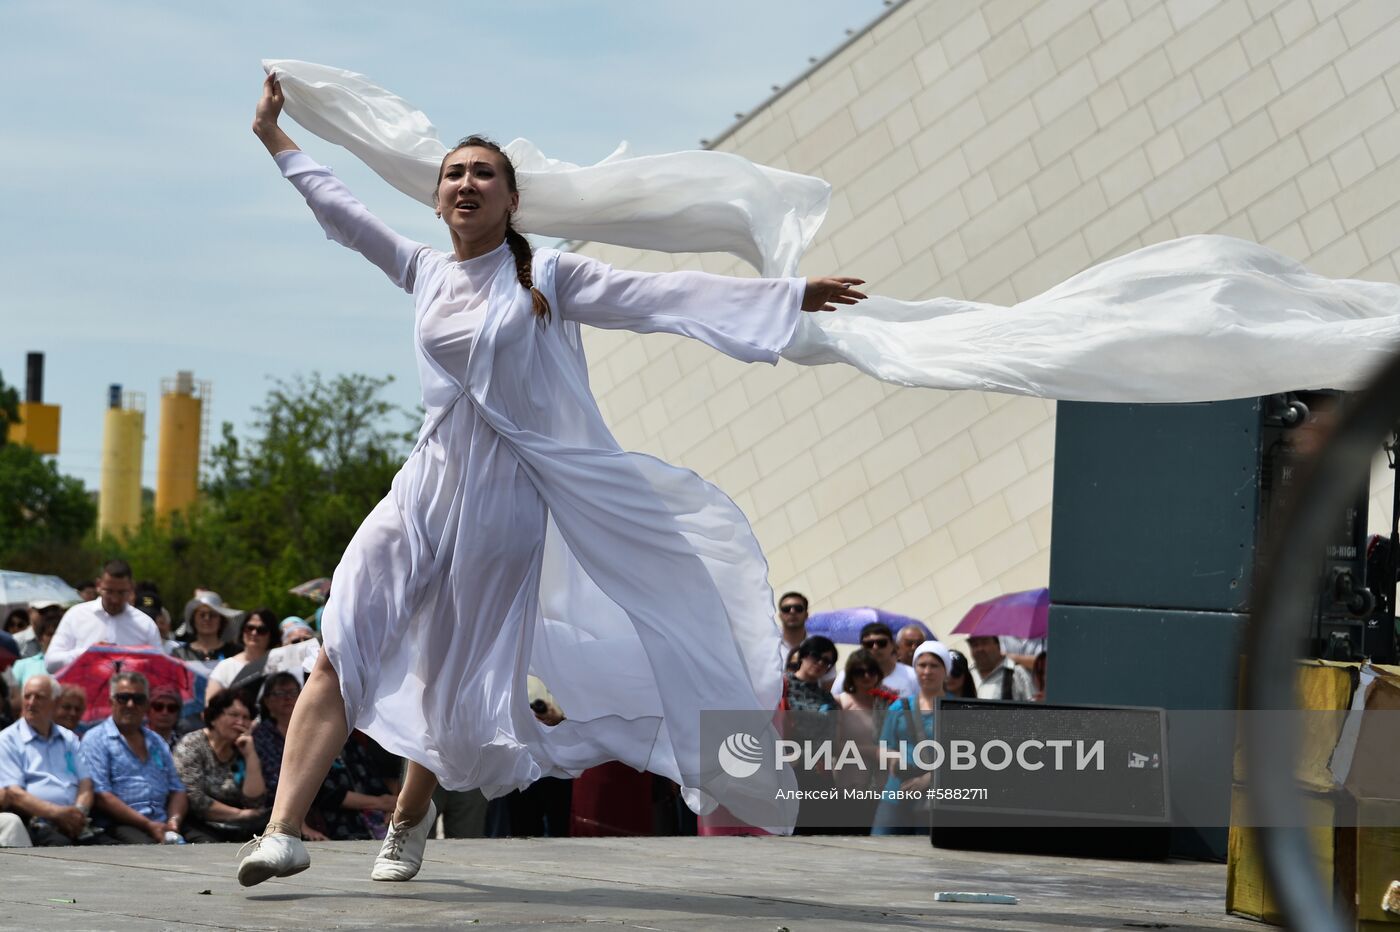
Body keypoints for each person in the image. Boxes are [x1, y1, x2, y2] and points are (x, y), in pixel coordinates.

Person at [237, 74, 864, 887]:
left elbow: (659, 297)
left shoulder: (549, 278)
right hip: (423, 488)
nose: (466, 183)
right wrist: (277, 142)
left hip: (506, 502)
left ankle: (408, 813)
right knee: (340, 643)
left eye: (483, 174)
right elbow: (345, 215)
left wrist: (782, 298)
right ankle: (282, 833)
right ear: (436, 200)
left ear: (510, 199)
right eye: (454, 174)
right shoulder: (424, 271)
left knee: (453, 673)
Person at [251, 672, 397, 840]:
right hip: (317, 819)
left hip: (368, 817)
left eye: (293, 692)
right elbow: (318, 790)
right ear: (267, 701)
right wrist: (380, 803)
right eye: (280, 693)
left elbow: (367, 771)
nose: (288, 698)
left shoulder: (328, 728)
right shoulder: (263, 736)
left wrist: (387, 804)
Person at [81, 671, 189, 844]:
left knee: (205, 844)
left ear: (146, 704)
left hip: (162, 823)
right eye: (123, 698)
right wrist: (148, 825)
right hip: (119, 824)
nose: (130, 704)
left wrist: (173, 822)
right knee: (152, 852)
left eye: (138, 699)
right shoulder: (96, 739)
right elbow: (102, 796)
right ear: (111, 702)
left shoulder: (156, 741)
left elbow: (177, 789)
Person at [0, 675, 96, 846]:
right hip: (37, 822)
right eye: (27, 696)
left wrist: (78, 813)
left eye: (39, 697)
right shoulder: (7, 740)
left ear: (55, 702)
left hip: (75, 822)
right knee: (65, 852)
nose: (31, 702)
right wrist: (58, 814)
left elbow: (85, 783)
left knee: (111, 851)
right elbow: (14, 794)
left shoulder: (69, 738)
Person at [872, 641, 953, 835]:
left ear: (945, 670)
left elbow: (966, 756)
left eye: (934, 665)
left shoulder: (956, 708)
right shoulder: (898, 707)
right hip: (896, 791)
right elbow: (884, 746)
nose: (927, 671)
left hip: (936, 798)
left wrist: (929, 779)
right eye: (922, 665)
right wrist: (892, 759)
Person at [173, 691, 268, 843]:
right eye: (234, 715)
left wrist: (250, 756)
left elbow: (255, 801)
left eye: (246, 718)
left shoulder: (243, 748)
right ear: (215, 717)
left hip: (239, 825)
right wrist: (240, 815)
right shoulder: (192, 744)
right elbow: (194, 798)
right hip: (201, 823)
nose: (241, 722)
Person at [45, 560, 161, 673]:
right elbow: (51, 663)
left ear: (131, 587)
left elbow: (160, 668)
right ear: (98, 585)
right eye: (109, 591)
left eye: (121, 593)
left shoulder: (145, 624)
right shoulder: (76, 615)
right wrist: (89, 653)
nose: (115, 599)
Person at [206, 609, 280, 703]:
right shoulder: (226, 666)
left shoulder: (280, 665)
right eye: (250, 628)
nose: (254, 633)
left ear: (271, 635)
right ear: (242, 630)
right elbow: (209, 704)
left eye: (261, 630)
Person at [830, 622, 919, 698]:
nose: (875, 647)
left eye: (881, 643)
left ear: (893, 645)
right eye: (869, 644)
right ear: (862, 647)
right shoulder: (847, 675)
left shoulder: (912, 676)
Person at [172, 591, 242, 676]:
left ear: (221, 620)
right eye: (202, 615)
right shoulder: (180, 654)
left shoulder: (235, 652)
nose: (207, 619)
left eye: (213, 615)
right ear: (193, 619)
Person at [967, 635, 1035, 702]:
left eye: (985, 643)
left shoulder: (1017, 674)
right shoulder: (966, 675)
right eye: (975, 645)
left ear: (998, 645)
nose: (980, 649)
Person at [783, 636, 837, 712]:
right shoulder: (781, 685)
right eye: (815, 656)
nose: (820, 663)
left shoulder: (827, 699)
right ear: (802, 656)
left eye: (826, 661)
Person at [10, 613, 60, 687]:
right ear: (40, 638)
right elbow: (13, 696)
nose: (54, 638)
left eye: (58, 634)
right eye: (50, 634)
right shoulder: (21, 666)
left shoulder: (76, 664)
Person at [773, 592, 810, 676]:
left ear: (806, 614)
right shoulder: (768, 646)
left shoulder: (819, 645)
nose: (792, 612)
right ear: (780, 615)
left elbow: (828, 685)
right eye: (786, 609)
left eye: (798, 608)